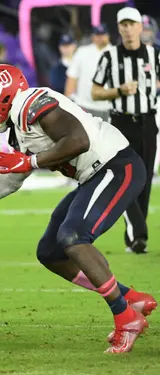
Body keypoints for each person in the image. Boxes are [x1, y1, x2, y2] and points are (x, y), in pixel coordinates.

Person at [0, 63, 157, 353]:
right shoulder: (18, 127)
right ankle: (130, 298)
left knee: (73, 237)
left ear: (3, 95)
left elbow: (78, 140)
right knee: (51, 252)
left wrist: (31, 161)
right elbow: (9, 183)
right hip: (95, 175)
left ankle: (125, 317)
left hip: (117, 166)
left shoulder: (32, 103)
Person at [91, 7, 159, 254]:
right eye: (124, 25)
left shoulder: (155, 55)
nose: (128, 29)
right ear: (118, 28)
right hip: (121, 123)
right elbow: (95, 92)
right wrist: (119, 90)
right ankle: (139, 233)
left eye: (132, 24)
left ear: (141, 27)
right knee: (125, 177)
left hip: (148, 122)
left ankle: (135, 235)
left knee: (145, 178)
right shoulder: (109, 57)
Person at [64, 24, 111, 120]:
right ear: (93, 36)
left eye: (102, 34)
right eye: (97, 35)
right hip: (84, 105)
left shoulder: (116, 52)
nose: (100, 37)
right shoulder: (82, 52)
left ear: (108, 36)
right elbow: (72, 78)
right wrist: (67, 102)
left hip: (108, 107)